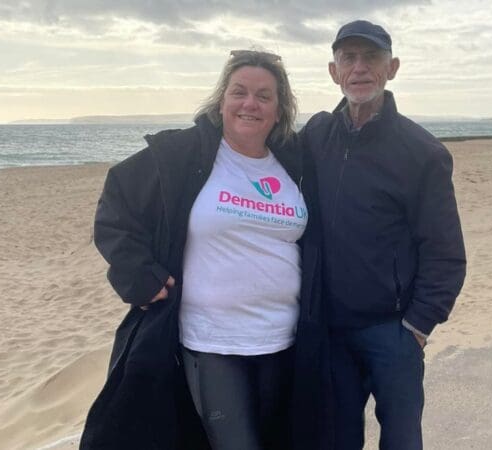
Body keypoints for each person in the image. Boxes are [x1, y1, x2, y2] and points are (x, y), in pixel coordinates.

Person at [80, 49, 321, 450]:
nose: (250, 103)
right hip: (212, 342)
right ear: (221, 101)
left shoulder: (294, 164)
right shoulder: (185, 155)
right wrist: (137, 276)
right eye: (239, 92)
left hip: (284, 340)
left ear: (279, 110)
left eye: (264, 96)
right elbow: (116, 203)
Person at [301, 20, 467, 450]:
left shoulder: (422, 152)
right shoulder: (314, 137)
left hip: (392, 332)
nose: (359, 68)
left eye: (371, 57)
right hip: (330, 331)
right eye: (348, 58)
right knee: (334, 441)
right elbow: (253, 151)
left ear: (391, 68)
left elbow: (446, 252)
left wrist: (417, 325)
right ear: (333, 71)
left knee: (401, 442)